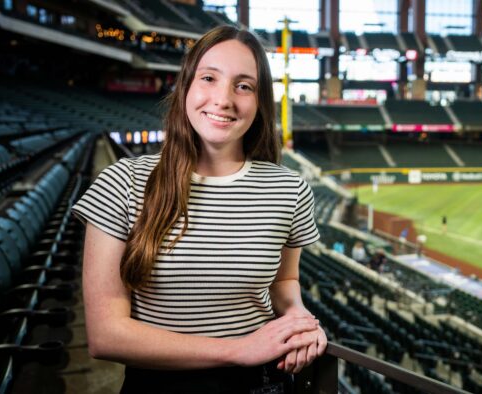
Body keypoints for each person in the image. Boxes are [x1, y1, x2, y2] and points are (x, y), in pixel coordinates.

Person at [71, 26, 326, 393]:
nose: (223, 99)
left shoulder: (289, 188)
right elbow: (106, 335)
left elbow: (284, 282)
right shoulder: (122, 182)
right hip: (157, 386)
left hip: (261, 383)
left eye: (244, 85)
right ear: (186, 88)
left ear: (260, 101)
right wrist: (238, 350)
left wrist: (299, 316)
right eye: (209, 78)